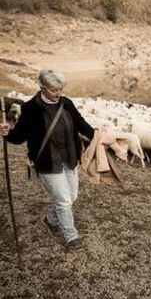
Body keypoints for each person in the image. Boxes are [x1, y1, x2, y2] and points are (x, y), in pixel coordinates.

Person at [0, 69, 95, 250]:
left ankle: (50, 220)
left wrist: (98, 136)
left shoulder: (66, 103)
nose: (59, 93)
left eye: (61, 89)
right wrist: (7, 133)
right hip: (47, 162)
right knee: (64, 201)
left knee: (72, 196)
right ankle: (71, 236)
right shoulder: (30, 109)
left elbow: (81, 124)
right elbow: (19, 137)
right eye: (54, 90)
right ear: (42, 87)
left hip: (70, 159)